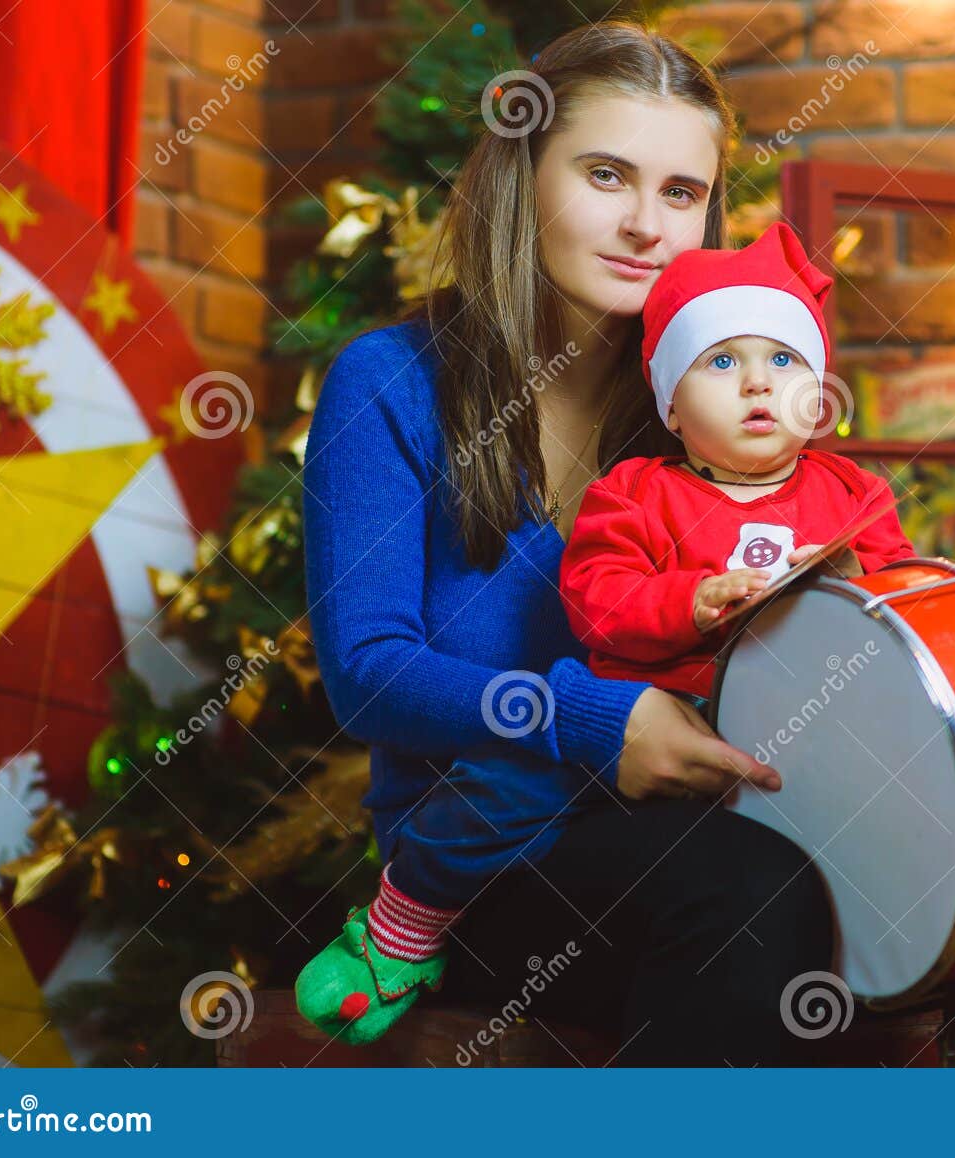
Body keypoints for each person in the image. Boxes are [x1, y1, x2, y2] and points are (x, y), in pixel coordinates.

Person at [292, 21, 835, 1065]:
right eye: (604, 174)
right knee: (743, 893)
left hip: (713, 808)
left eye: (681, 194)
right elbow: (364, 676)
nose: (644, 225)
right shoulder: (392, 381)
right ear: (521, 176)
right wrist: (595, 719)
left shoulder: (710, 397)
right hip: (488, 858)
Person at [558, 218, 918, 713]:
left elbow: (912, 599)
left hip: (827, 715)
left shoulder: (856, 493)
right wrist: (693, 602)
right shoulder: (632, 494)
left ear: (816, 400)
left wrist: (856, 579)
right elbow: (595, 600)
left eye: (784, 360)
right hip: (679, 714)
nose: (757, 382)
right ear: (673, 409)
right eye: (722, 362)